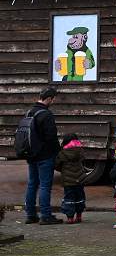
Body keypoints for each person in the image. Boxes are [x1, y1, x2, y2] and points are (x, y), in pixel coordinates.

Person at [23, 87, 62, 225]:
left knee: (32, 184)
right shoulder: (46, 114)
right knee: (45, 186)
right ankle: (45, 216)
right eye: (53, 99)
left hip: (31, 154)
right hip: (45, 156)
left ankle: (30, 215)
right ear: (49, 99)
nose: (53, 101)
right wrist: (58, 152)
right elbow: (51, 137)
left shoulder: (29, 112)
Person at [54, 133, 85, 224]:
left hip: (68, 181)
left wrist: (63, 170)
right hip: (79, 180)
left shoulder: (62, 153)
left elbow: (56, 165)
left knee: (69, 199)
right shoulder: (80, 151)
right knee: (80, 197)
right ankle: (79, 216)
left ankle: (70, 218)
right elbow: (83, 160)